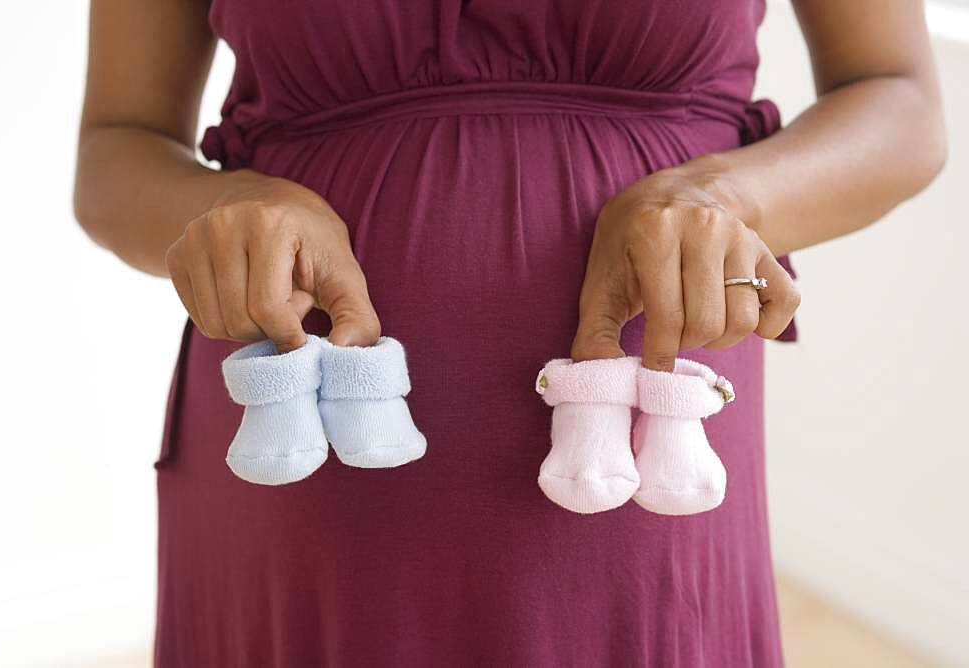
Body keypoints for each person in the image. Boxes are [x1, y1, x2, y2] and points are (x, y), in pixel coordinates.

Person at [74, 1, 945, 665]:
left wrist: (729, 197)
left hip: (641, 459)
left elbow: (901, 104)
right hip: (302, 469)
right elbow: (117, 149)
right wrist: (226, 205)